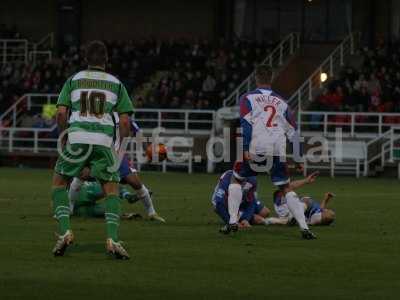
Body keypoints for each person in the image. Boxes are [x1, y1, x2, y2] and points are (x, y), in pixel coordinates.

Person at [51, 40, 133, 259]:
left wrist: (64, 136)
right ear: (106, 59)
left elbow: (60, 114)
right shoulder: (116, 83)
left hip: (77, 137)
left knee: (59, 182)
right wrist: (120, 149)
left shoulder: (74, 80)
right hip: (103, 140)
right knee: (111, 190)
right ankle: (112, 239)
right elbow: (125, 123)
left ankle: (65, 231)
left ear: (86, 59)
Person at [223, 64, 316, 239]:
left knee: (236, 179)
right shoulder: (282, 103)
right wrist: (298, 158)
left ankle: (233, 222)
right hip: (276, 150)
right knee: (286, 187)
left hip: (256, 147)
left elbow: (246, 124)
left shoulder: (247, 98)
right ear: (271, 78)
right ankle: (304, 228)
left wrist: (245, 148)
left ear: (256, 78)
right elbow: (293, 133)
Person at [265, 191, 335, 226]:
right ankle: (276, 220)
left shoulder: (316, 218)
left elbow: (315, 219)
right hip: (293, 207)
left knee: (282, 192)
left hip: (288, 210)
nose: (328, 209)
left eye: (329, 211)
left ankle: (269, 220)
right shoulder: (319, 211)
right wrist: (326, 199)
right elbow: (321, 209)